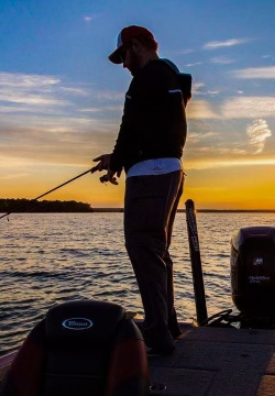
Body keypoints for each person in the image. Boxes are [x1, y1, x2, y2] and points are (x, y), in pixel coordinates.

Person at [90, 25, 190, 355]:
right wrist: (116, 161)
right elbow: (152, 128)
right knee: (157, 251)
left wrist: (118, 157)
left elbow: (130, 127)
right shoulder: (171, 76)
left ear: (137, 46)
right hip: (171, 171)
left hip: (150, 176)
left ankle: (157, 331)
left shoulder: (145, 79)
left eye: (123, 56)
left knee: (143, 248)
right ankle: (168, 322)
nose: (123, 65)